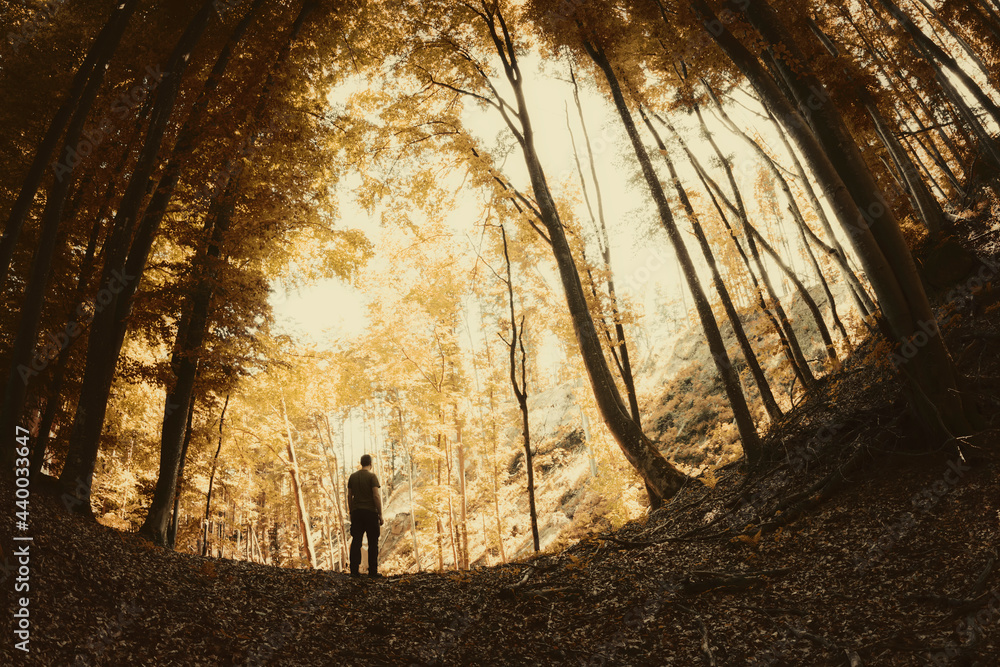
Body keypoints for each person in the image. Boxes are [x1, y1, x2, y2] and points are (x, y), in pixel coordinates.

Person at [346, 454, 383, 578]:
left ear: (361, 463)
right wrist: (381, 514)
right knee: (373, 542)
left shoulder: (353, 477)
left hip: (357, 513)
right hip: (371, 513)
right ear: (370, 463)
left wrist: (352, 511)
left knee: (356, 541)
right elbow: (376, 496)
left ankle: (354, 571)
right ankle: (373, 571)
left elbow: (349, 496)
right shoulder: (372, 477)